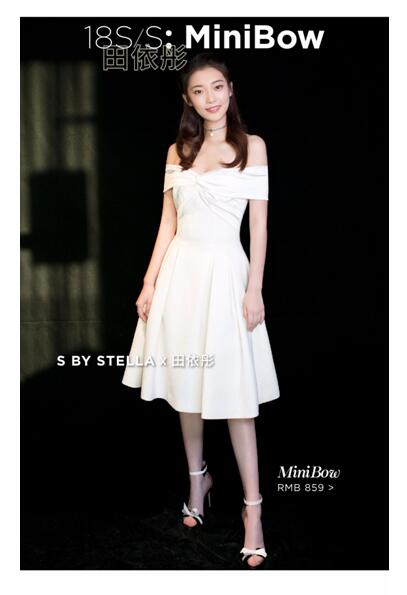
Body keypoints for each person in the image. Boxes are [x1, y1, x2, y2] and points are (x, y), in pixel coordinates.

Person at [122, 52, 280, 568]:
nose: (210, 98)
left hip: (226, 274)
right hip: (180, 276)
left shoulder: (252, 146)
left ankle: (252, 510)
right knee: (185, 384)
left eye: (217, 87)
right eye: (198, 90)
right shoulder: (179, 149)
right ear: (188, 100)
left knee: (236, 397)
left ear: (230, 89)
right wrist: (149, 282)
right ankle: (198, 482)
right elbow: (167, 224)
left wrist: (255, 289)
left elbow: (259, 227)